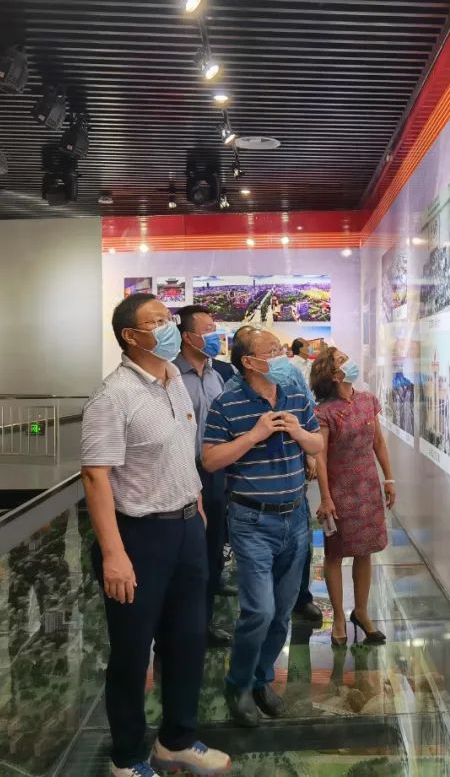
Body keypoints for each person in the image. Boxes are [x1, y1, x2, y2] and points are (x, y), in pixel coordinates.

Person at [81, 294, 230, 777]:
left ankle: (176, 740)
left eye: (169, 318)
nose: (169, 327)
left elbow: (182, 451)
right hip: (138, 536)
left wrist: (197, 505)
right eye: (158, 321)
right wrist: (113, 554)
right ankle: (127, 757)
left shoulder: (174, 381)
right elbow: (95, 476)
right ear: (131, 336)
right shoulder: (113, 396)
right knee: (131, 651)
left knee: (187, 641)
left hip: (186, 528)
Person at [203, 326, 324, 728]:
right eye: (272, 351)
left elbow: (318, 444)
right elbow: (211, 460)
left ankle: (261, 678)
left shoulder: (295, 394)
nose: (281, 355)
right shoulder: (227, 403)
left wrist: (298, 432)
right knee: (259, 610)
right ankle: (237, 683)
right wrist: (254, 435)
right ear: (250, 362)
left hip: (296, 517)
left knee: (283, 613)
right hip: (251, 520)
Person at [309, 348, 395, 647]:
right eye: (342, 360)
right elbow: (320, 457)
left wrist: (389, 478)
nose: (350, 362)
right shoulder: (324, 411)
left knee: (365, 550)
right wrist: (325, 497)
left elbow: (379, 442)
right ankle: (338, 617)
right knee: (335, 553)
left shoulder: (368, 400)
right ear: (334, 375)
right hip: (339, 490)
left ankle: (361, 612)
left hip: (367, 487)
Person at [173, 305, 235, 648]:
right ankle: (182, 624)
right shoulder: (170, 376)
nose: (216, 334)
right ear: (188, 337)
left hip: (216, 474)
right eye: (208, 329)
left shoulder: (217, 375)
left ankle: (205, 621)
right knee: (187, 553)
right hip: (183, 473)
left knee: (212, 548)